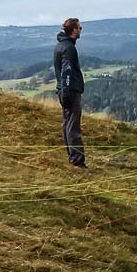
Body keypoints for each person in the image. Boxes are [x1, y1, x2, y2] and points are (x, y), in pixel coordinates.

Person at [53, 18, 86, 168]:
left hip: (63, 90)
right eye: (79, 28)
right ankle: (77, 160)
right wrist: (67, 91)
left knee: (67, 124)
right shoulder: (69, 48)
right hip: (70, 91)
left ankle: (72, 156)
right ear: (73, 30)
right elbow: (66, 72)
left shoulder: (60, 45)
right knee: (73, 127)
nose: (80, 30)